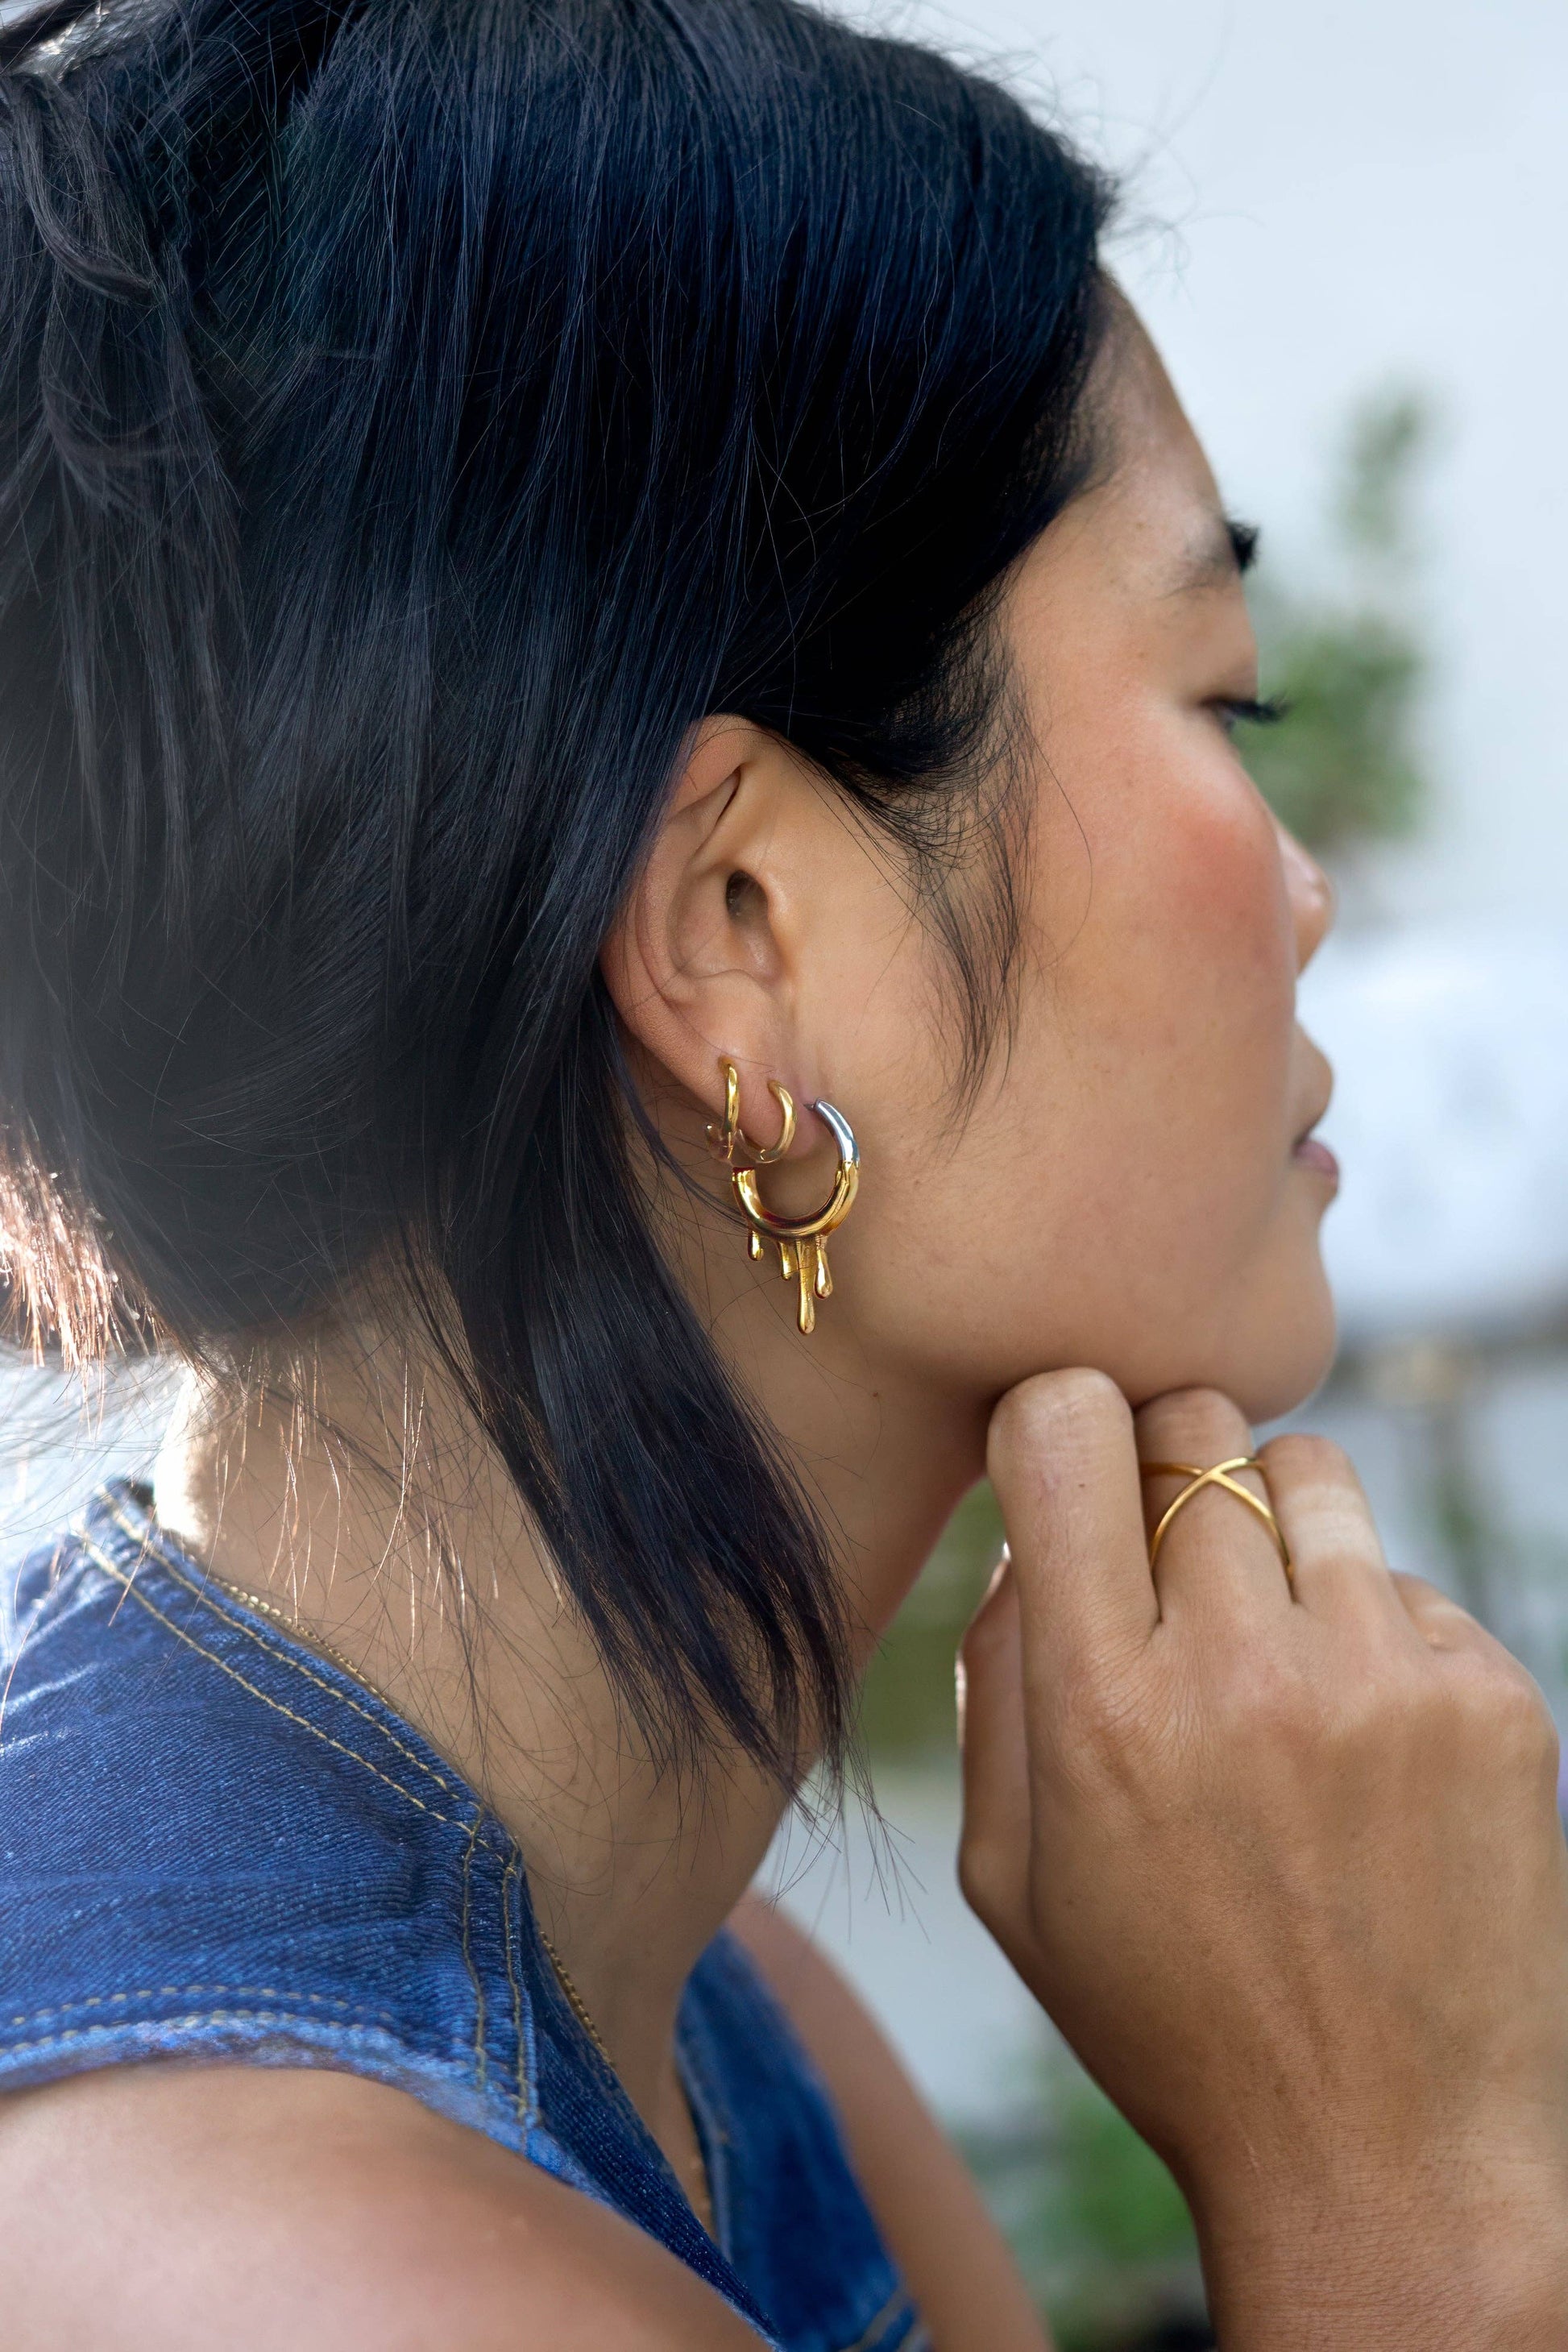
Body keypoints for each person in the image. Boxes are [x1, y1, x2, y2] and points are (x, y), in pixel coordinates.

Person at [0, 0, 1563, 2345]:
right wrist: (1399, 2199)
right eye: (1218, 699)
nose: (1309, 889)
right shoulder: (282, 2270)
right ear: (741, 936)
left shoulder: (704, 1997)